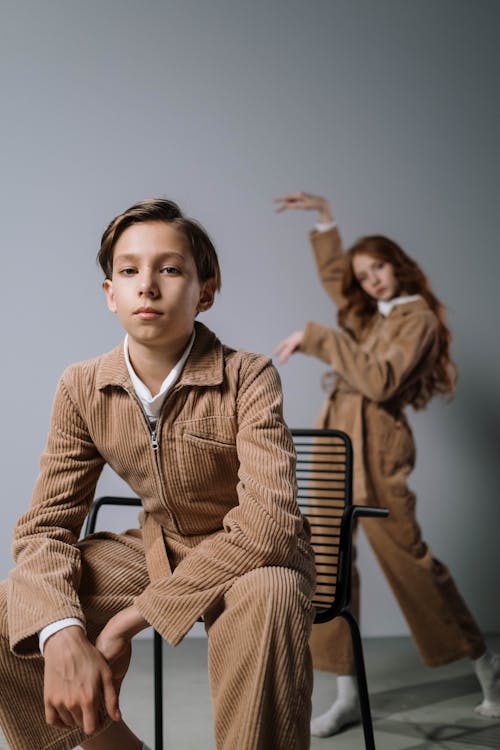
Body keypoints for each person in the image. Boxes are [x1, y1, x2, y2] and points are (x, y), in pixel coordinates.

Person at [0, 198, 316, 750]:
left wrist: (132, 619)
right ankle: (112, 746)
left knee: (274, 590)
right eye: (129, 271)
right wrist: (63, 632)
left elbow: (268, 527)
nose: (147, 285)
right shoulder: (81, 385)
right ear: (110, 293)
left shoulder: (249, 376)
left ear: (206, 291)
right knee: (18, 605)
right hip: (158, 549)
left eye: (169, 269)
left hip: (249, 559)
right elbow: (44, 529)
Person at [273, 191, 500, 738]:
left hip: (376, 448)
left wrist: (318, 338)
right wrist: (326, 221)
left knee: (409, 560)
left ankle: (487, 669)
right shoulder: (372, 316)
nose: (372, 280)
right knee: (326, 564)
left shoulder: (416, 319)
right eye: (364, 273)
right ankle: (346, 693)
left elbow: (379, 380)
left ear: (397, 264)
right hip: (335, 441)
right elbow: (338, 284)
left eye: (378, 268)